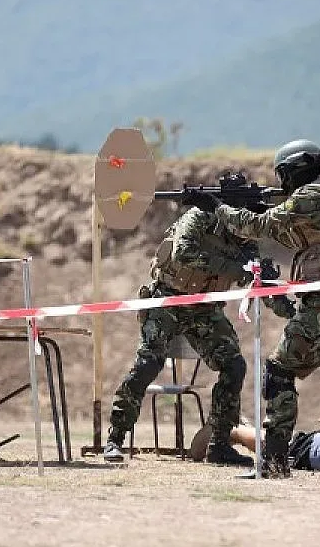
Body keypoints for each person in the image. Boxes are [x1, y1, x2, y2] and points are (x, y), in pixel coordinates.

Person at [182, 140, 320, 478]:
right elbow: (302, 236)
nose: (284, 184)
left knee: (279, 371)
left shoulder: (311, 196)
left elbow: (261, 228)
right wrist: (258, 210)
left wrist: (215, 206)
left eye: (285, 176)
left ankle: (273, 463)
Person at [103, 197, 295, 466]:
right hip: (167, 300)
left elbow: (258, 282)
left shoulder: (247, 243)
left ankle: (219, 445)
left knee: (234, 366)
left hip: (204, 309)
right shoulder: (201, 217)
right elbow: (184, 252)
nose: (248, 231)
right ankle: (116, 438)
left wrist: (286, 305)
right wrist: (236, 268)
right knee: (148, 364)